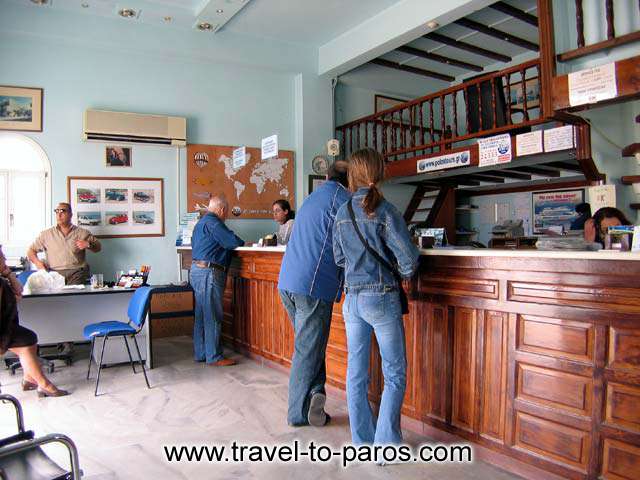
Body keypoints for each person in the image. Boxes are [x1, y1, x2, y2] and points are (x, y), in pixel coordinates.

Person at [333, 148, 419, 446]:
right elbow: (408, 260)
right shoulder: (385, 209)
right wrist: (401, 272)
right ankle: (387, 445)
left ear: (353, 174)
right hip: (381, 297)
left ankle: (362, 441)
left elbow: (339, 258)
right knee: (393, 372)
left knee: (356, 373)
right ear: (379, 172)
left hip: (352, 299)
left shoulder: (342, 212)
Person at [278, 160, 350, 427]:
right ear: (350, 179)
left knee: (311, 345)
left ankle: (314, 398)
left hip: (288, 282)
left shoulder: (312, 198)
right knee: (308, 349)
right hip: (313, 285)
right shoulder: (343, 200)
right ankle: (297, 414)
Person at [0, 245, 69, 397]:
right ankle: (44, 384)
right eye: (2, 256)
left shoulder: (2, 279)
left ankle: (29, 379)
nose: (5, 258)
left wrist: (9, 273)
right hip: (2, 331)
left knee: (30, 338)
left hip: (8, 327)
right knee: (27, 342)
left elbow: (18, 291)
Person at [191, 194, 244, 366]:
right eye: (226, 212)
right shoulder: (214, 222)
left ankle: (201, 353)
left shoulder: (202, 222)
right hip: (209, 273)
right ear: (222, 210)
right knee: (213, 314)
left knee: (201, 314)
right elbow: (232, 241)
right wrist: (238, 240)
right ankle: (214, 356)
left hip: (197, 271)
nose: (226, 215)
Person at [27, 202, 102, 285]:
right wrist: (38, 263)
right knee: (56, 297)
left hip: (77, 273)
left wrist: (88, 244)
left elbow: (98, 248)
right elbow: (31, 250)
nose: (59, 215)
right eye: (57, 212)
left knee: (74, 296)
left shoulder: (82, 233)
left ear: (70, 214)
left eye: (62, 211)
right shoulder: (46, 234)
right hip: (54, 274)